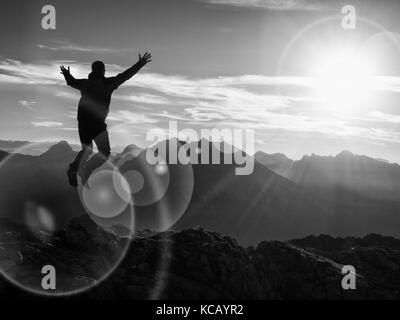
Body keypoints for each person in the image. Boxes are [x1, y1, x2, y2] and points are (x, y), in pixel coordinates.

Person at [60, 52, 152, 187]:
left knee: (87, 149)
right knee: (104, 152)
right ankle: (85, 171)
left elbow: (71, 82)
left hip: (83, 121)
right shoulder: (108, 83)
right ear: (103, 71)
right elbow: (126, 75)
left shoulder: (85, 83)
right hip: (97, 123)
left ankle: (74, 168)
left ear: (92, 70)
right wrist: (140, 64)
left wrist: (67, 74)